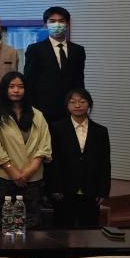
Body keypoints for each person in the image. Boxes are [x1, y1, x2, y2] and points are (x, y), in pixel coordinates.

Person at [0, 71, 53, 227]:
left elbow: (44, 144)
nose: (16, 90)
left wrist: (31, 170)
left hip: (33, 177)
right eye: (11, 87)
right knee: (5, 225)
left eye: (20, 86)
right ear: (4, 89)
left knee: (32, 224)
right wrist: (12, 172)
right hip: (3, 177)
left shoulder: (37, 115)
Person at [49, 88, 111, 228]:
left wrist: (103, 191)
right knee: (63, 230)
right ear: (67, 105)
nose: (77, 105)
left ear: (89, 104)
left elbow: (105, 163)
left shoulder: (100, 131)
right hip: (64, 189)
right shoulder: (56, 128)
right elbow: (53, 160)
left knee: (88, 230)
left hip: (91, 189)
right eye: (73, 102)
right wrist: (55, 187)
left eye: (82, 101)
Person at [23, 5, 86, 121]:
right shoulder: (35, 49)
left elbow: (79, 81)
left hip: (70, 110)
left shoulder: (78, 50)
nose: (57, 24)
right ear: (45, 25)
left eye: (61, 21)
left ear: (67, 24)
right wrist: (29, 111)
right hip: (43, 111)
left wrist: (80, 105)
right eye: (52, 21)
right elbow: (29, 82)